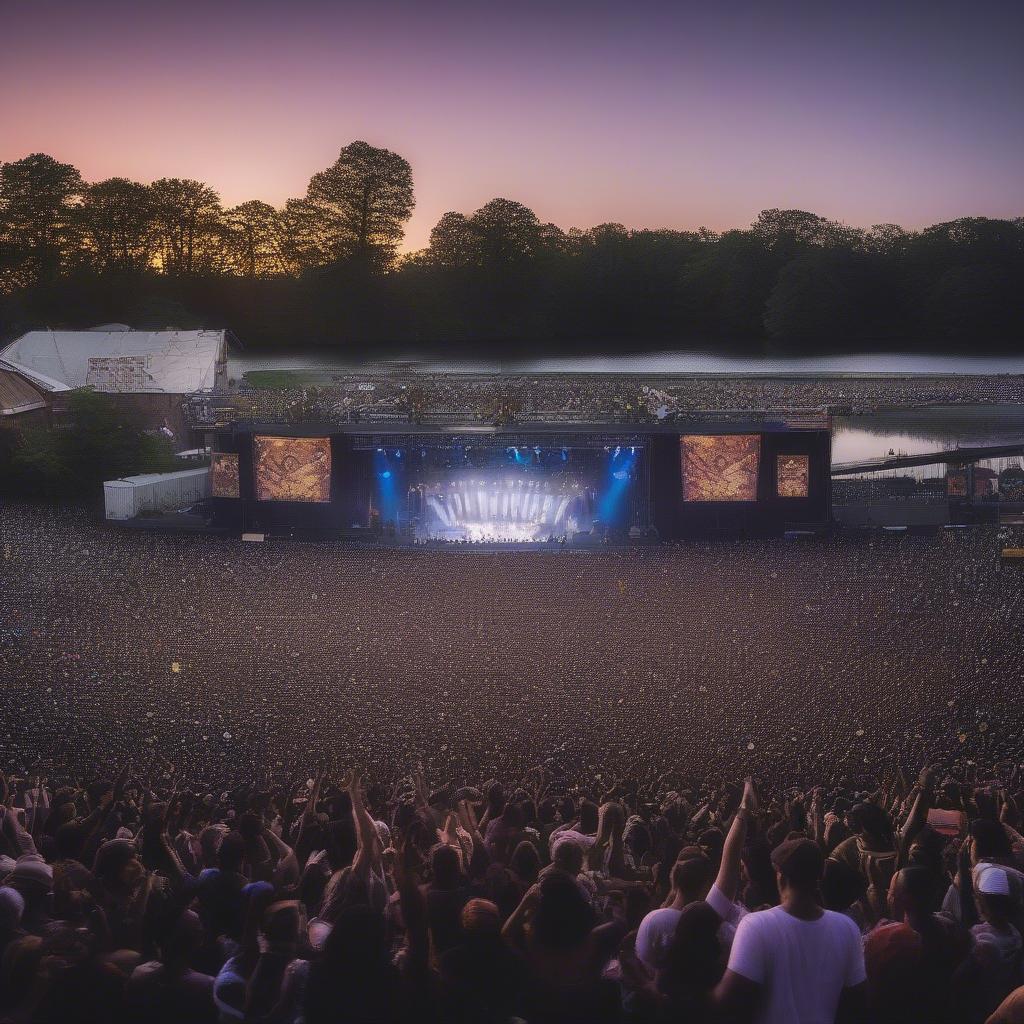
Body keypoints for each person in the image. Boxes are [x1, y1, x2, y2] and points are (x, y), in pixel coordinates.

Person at [712, 836, 867, 1023]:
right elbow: (856, 1002)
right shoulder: (847, 928)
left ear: (780, 876)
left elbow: (727, 1000)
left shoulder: (756, 926)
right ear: (819, 877)